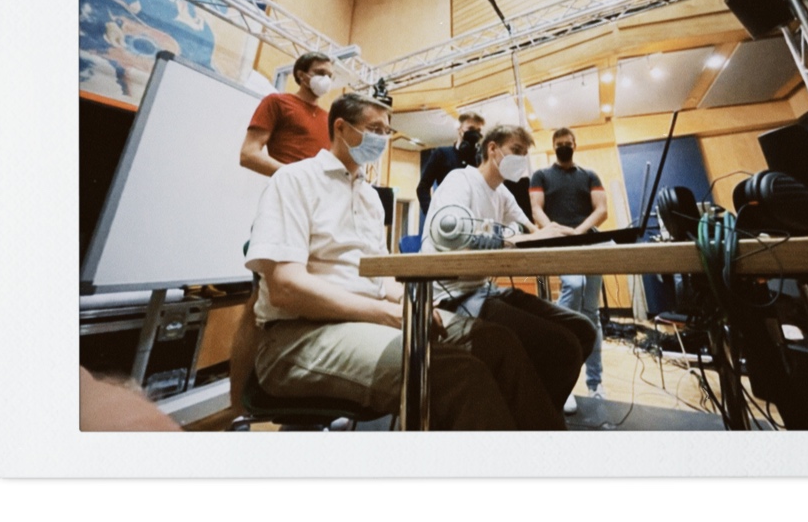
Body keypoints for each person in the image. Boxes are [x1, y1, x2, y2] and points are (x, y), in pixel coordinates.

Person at [245, 93, 563, 430]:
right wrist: (385, 312)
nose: (383, 139)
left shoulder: (369, 197)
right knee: (458, 374)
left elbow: (382, 280)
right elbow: (285, 288)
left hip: (365, 321)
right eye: (374, 129)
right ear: (340, 127)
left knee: (498, 343)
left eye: (387, 131)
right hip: (301, 336)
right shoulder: (295, 179)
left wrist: (412, 305)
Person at [420, 124, 598, 416]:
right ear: (492, 149)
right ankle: (533, 417)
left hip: (483, 290)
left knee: (583, 330)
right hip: (450, 296)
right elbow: (457, 238)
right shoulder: (460, 180)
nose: (520, 159)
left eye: (524, 154)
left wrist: (561, 233)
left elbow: (533, 231)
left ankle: (532, 409)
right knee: (563, 346)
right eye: (516, 150)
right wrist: (519, 237)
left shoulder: (501, 193)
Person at [229, 51, 337, 416]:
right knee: (259, 305)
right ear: (302, 75)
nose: (327, 79)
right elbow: (249, 154)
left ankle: (303, 406)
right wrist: (295, 178)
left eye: (330, 73)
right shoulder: (277, 103)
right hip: (283, 209)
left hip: (320, 217)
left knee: (316, 300)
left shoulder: (330, 119)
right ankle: (237, 408)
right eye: (320, 72)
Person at [530, 127, 609, 413]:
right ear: (553, 146)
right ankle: (562, 383)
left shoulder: (590, 175)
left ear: (575, 144)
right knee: (573, 289)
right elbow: (536, 210)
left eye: (568, 143)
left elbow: (601, 209)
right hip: (559, 242)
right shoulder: (541, 175)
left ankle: (595, 383)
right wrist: (556, 230)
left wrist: (579, 231)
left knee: (591, 314)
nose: (564, 146)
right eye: (559, 143)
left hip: (588, 241)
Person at [416, 112, 485, 216]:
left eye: (478, 130)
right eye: (470, 128)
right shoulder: (441, 154)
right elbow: (423, 187)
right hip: (447, 216)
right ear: (460, 129)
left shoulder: (481, 160)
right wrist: (432, 215)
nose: (475, 133)